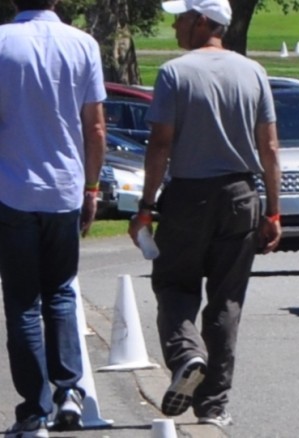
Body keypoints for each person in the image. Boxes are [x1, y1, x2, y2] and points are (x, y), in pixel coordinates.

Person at [127, 0, 281, 428]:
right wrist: (274, 210)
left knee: (174, 284)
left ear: (202, 22)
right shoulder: (254, 73)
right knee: (227, 298)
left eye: (180, 17)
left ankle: (186, 354)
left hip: (189, 195)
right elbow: (269, 147)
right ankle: (213, 404)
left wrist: (145, 206)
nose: (174, 25)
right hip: (240, 194)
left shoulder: (175, 72)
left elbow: (160, 144)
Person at [0, 0, 107, 436]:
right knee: (61, 292)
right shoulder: (83, 44)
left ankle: (34, 408)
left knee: (23, 301)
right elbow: (95, 126)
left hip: (12, 187)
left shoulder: (3, 42)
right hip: (64, 186)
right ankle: (69, 391)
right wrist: (93, 187)